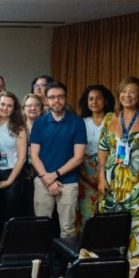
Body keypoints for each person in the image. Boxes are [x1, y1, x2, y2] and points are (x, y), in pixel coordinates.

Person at [97, 76, 139, 258]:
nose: (127, 95)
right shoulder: (108, 118)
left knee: (137, 229)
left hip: (138, 185)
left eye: (132, 91)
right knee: (111, 229)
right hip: (111, 184)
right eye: (123, 91)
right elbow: (102, 150)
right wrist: (102, 178)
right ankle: (112, 272)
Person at [30, 81, 86, 239]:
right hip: (42, 181)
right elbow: (34, 156)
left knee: (68, 230)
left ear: (66, 98)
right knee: (41, 227)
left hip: (68, 182)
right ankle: (42, 263)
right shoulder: (40, 123)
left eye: (61, 97)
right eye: (52, 97)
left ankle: (66, 264)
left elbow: (79, 157)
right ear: (46, 100)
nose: (57, 101)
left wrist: (54, 175)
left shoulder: (77, 123)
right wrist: (47, 179)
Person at [0, 90, 28, 240]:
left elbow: (22, 158)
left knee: (9, 217)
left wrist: (10, 181)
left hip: (12, 175)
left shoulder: (18, 128)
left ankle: (8, 250)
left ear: (14, 109)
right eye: (2, 104)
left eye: (9, 106)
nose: (5, 108)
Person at [76, 84, 115, 232]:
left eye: (98, 98)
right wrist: (85, 175)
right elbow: (75, 152)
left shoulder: (114, 121)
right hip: (85, 172)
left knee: (108, 214)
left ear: (105, 101)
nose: (94, 102)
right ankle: (87, 251)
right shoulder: (80, 123)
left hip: (109, 170)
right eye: (91, 99)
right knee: (88, 215)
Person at [21, 93, 44, 218]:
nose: (33, 108)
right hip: (22, 174)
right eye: (29, 105)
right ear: (23, 109)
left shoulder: (47, 126)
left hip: (42, 173)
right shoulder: (17, 127)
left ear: (41, 108)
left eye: (36, 105)